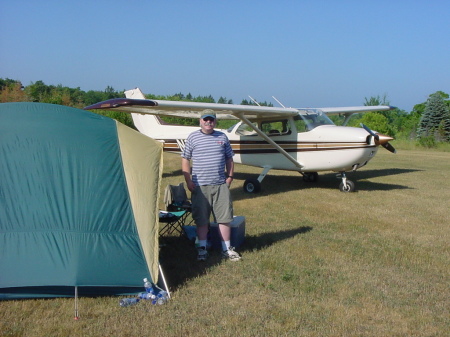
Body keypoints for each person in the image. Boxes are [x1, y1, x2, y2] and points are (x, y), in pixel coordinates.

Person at [181, 113, 241, 261]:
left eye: (211, 119)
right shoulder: (193, 137)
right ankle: (202, 249)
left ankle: (227, 249)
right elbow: (185, 159)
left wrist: (230, 177)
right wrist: (188, 180)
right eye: (205, 119)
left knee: (224, 218)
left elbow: (229, 158)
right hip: (200, 186)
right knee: (201, 219)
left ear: (215, 121)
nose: (208, 122)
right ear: (200, 121)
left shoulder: (222, 137)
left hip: (220, 185)